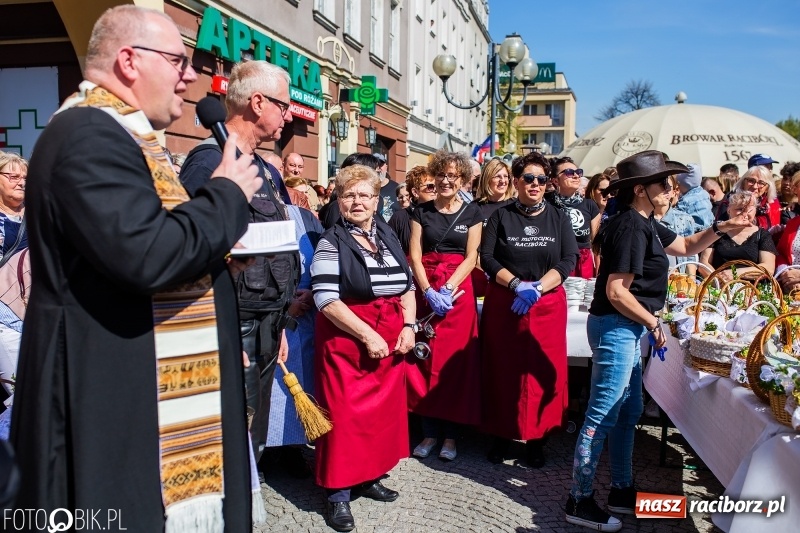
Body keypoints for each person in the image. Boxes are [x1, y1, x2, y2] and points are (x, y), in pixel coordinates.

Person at [10, 6, 263, 530]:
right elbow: (146, 253)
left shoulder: (122, 135)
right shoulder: (88, 134)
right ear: (129, 61)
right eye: (178, 60)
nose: (190, 75)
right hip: (107, 391)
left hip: (131, 378)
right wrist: (225, 195)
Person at [565, 150, 750, 531]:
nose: (673, 190)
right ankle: (578, 499)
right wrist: (653, 322)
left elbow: (686, 246)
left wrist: (724, 228)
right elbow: (617, 291)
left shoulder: (646, 221)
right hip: (618, 325)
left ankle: (621, 490)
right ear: (640, 190)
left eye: (672, 184)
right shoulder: (631, 226)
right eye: (664, 185)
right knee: (602, 414)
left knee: (628, 411)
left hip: (627, 326)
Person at [179, 59, 299, 468]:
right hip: (235, 324)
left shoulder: (263, 167)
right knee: (230, 437)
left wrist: (279, 321)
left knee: (252, 437)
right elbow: (196, 250)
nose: (289, 115)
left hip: (265, 321)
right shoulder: (208, 161)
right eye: (284, 106)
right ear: (258, 102)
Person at [310, 164, 415, 532]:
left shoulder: (387, 235)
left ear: (376, 201)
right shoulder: (330, 241)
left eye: (364, 195)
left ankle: (368, 476)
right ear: (338, 201)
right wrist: (367, 335)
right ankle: (338, 493)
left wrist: (408, 324)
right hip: (346, 341)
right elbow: (325, 298)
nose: (357, 201)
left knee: (378, 417)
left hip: (390, 335)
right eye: (349, 195)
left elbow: (407, 285)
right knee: (343, 417)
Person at [479, 152, 578, 467]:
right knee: (502, 369)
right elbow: (488, 257)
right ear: (517, 182)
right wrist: (514, 286)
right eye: (528, 178)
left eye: (540, 179)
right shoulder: (500, 216)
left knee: (542, 370)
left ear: (547, 184)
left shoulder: (559, 217)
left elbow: (568, 260)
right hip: (506, 302)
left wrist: (537, 287)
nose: (534, 184)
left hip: (546, 303)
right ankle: (500, 436)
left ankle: (538, 439)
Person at [407, 149, 482, 461]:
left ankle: (450, 438)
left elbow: (472, 256)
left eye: (453, 176)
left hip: (458, 296)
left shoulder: (473, 213)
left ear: (462, 179)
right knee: (424, 362)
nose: (447, 180)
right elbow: (414, 255)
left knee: (456, 367)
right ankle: (428, 433)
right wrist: (428, 291)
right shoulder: (420, 213)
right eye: (441, 175)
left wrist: (450, 288)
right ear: (434, 177)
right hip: (428, 293)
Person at [264, 200, 324, 476]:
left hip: (307, 313)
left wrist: (312, 290)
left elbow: (321, 258)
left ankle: (295, 445)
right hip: (276, 312)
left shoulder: (306, 218)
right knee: (276, 386)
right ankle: (267, 449)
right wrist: (285, 304)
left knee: (304, 380)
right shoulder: (259, 216)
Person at [0, 152, 28, 423]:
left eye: (24, 178)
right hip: (5, 318)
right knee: (21, 394)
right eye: (12, 176)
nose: (20, 182)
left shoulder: (39, 214)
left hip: (37, 311)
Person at [700, 191, 776, 280]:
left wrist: (734, 273)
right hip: (719, 289)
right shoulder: (717, 231)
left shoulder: (763, 235)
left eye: (749, 210)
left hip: (752, 290)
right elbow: (704, 264)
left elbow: (768, 268)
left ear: (755, 211)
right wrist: (718, 281)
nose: (744, 214)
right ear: (728, 210)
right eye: (740, 209)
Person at [547, 156, 600, 278]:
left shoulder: (590, 205)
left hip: (583, 263)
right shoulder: (547, 205)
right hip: (555, 263)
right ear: (555, 181)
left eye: (578, 172)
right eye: (569, 173)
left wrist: (599, 270)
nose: (576, 176)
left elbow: (597, 244)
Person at [472, 158, 514, 296]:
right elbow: (471, 248)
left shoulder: (516, 206)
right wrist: (488, 270)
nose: (503, 180)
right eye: (497, 176)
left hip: (512, 274)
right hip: (481, 274)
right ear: (487, 179)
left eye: (505, 176)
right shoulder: (474, 208)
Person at [319, 153, 383, 229]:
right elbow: (336, 237)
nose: (378, 178)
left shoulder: (384, 230)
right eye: (374, 172)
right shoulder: (338, 207)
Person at [387, 165, 437, 254]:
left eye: (437, 185)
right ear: (415, 192)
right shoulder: (399, 217)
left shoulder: (444, 213)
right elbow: (389, 247)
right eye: (430, 186)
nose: (435, 190)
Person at [773, 171, 800, 293]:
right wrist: (785, 272)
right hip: (791, 292)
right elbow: (780, 253)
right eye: (797, 187)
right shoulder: (793, 223)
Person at [674, 163, 713, 232]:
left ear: (686, 184)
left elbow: (677, 214)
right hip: (709, 226)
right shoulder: (704, 193)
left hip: (696, 229)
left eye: (679, 185)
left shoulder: (686, 200)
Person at [375, 153, 398, 221]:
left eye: (381, 165)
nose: (378, 169)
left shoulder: (397, 188)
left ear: (386, 167)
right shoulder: (366, 189)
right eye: (375, 165)